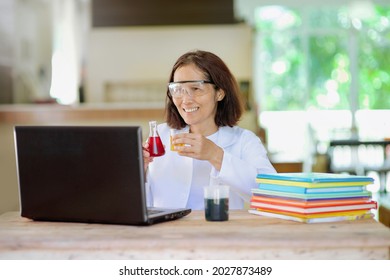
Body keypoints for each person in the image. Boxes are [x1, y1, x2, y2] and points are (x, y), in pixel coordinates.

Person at [143, 50, 276, 210]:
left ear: (219, 93)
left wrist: (215, 155)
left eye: (196, 89)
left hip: (221, 233)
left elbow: (271, 193)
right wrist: (139, 171)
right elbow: (143, 202)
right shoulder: (160, 136)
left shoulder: (244, 140)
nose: (185, 99)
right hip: (167, 234)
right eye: (178, 89)